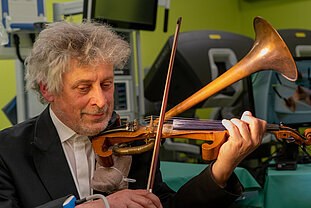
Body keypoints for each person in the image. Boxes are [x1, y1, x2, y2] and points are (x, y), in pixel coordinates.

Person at [0, 21, 267, 208]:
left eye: (106, 84)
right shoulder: (8, 151)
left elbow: (165, 206)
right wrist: (101, 205)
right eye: (83, 88)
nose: (101, 101)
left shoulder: (134, 141)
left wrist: (222, 168)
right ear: (48, 90)